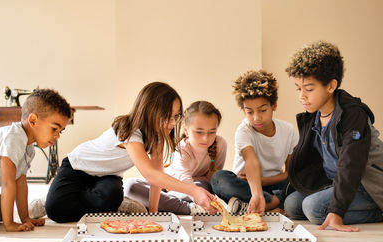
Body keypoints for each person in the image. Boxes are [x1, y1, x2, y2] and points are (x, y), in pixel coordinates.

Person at [45, 82, 216, 223]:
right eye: (167, 116)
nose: (172, 122)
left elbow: (157, 174)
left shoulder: (157, 135)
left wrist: (153, 212)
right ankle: (49, 200)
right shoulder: (128, 129)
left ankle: (99, 202)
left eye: (176, 116)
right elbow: (149, 174)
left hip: (106, 177)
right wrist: (193, 191)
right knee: (56, 211)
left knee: (112, 196)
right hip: (77, 169)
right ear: (150, 110)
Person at [283, 40, 383, 232]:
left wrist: (336, 212)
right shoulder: (313, 116)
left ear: (331, 86)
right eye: (298, 88)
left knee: (313, 209)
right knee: (293, 205)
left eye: (309, 89)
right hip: (337, 183)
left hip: (367, 184)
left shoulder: (352, 115)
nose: (301, 96)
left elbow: (350, 165)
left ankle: (378, 211)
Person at [211, 70, 299, 215]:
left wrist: (262, 181)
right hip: (246, 186)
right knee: (219, 179)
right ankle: (274, 203)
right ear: (243, 111)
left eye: (262, 110)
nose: (256, 118)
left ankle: (247, 206)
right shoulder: (243, 131)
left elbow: (291, 174)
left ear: (274, 106)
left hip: (274, 185)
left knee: (300, 180)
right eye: (250, 112)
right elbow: (251, 161)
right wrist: (257, 192)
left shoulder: (288, 130)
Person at [0, 89, 71, 232]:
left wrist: (25, 218)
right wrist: (10, 224)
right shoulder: (13, 138)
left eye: (60, 131)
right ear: (33, 120)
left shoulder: (29, 148)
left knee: (0, 212)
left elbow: (20, 182)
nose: (57, 136)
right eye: (54, 129)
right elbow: (7, 183)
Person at [124, 101, 227, 215]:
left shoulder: (220, 144)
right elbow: (183, 179)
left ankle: (179, 206)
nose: (205, 138)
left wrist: (201, 191)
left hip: (194, 189)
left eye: (212, 132)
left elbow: (212, 178)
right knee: (130, 185)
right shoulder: (181, 149)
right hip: (172, 186)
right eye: (199, 132)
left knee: (201, 186)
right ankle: (187, 208)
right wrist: (192, 192)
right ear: (186, 130)